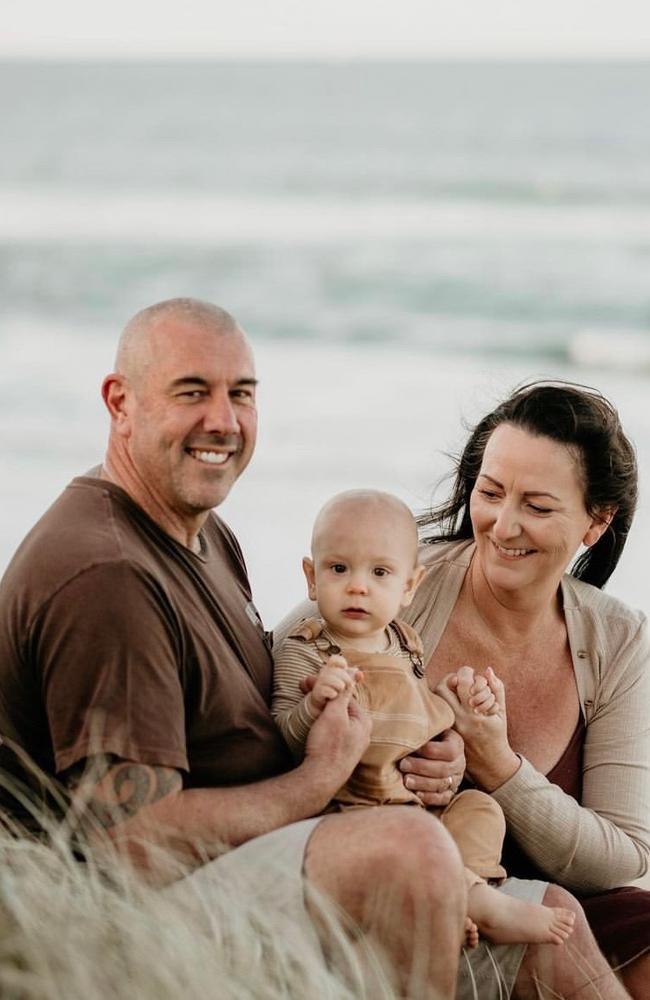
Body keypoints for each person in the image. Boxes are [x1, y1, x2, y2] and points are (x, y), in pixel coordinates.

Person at [0, 297, 469, 999]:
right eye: (192, 392)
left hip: (241, 858)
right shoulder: (109, 576)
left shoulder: (205, 534)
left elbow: (254, 704)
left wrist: (418, 742)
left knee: (554, 927)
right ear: (119, 402)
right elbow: (130, 843)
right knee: (409, 854)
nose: (223, 421)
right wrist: (315, 781)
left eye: (242, 395)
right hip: (116, 910)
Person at [405, 381, 649, 999]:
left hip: (567, 908)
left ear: (598, 521)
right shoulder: (395, 588)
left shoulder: (618, 639)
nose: (502, 523)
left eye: (537, 507)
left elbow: (624, 858)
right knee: (553, 926)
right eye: (489, 493)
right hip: (433, 900)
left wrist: (498, 767)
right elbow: (289, 685)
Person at [272, 488, 575, 948]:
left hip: (419, 805)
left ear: (408, 587)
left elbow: (412, 715)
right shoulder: (307, 648)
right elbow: (282, 739)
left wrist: (454, 705)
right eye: (339, 569)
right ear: (311, 579)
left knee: (482, 808)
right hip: (350, 810)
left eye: (379, 573)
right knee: (412, 844)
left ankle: (465, 885)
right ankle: (472, 902)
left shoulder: (404, 643)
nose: (358, 586)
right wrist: (312, 708)